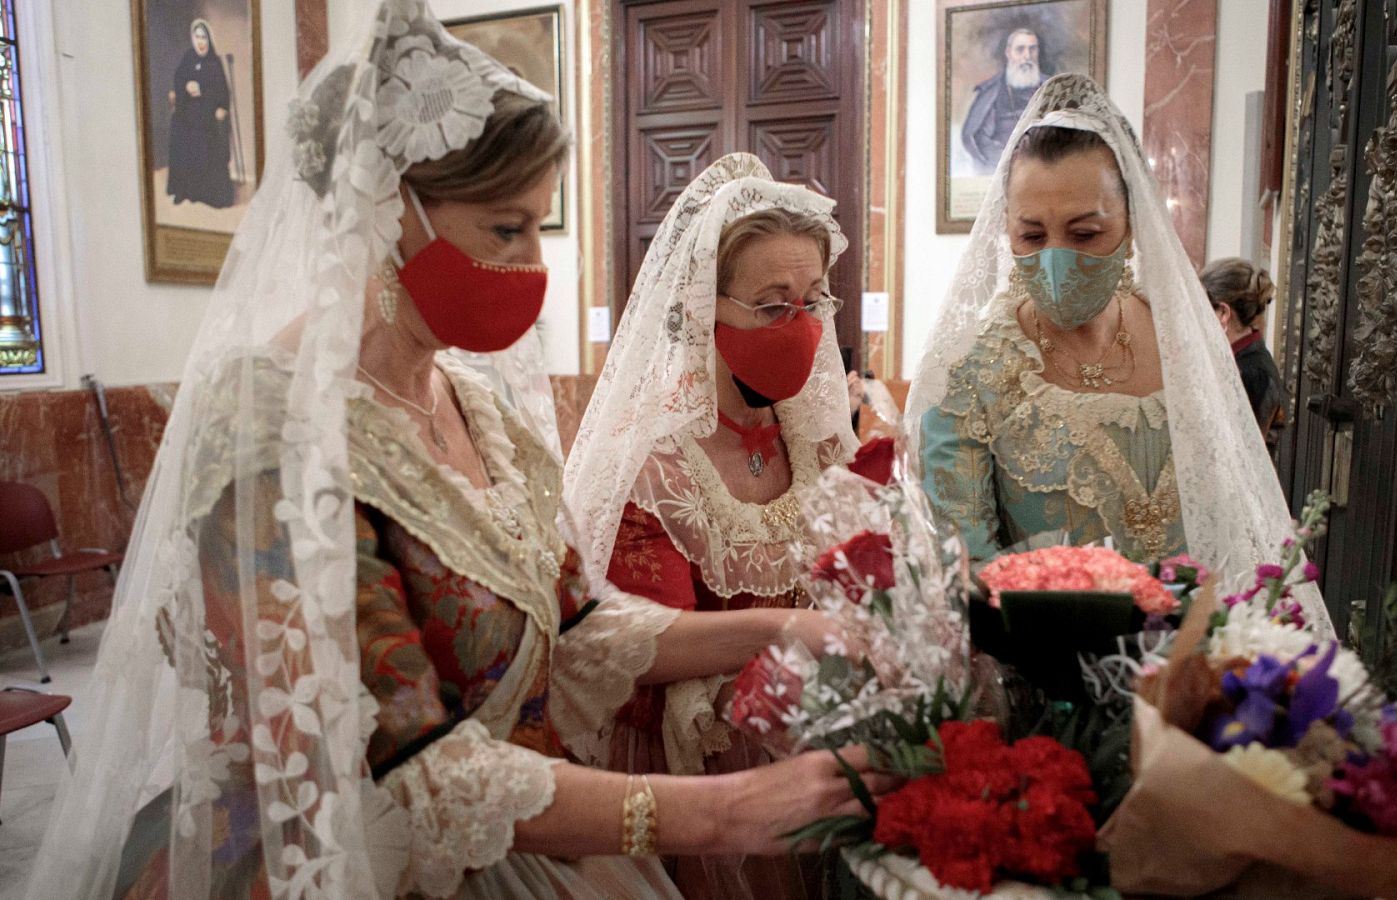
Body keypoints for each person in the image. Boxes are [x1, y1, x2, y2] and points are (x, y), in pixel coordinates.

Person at [25, 5, 891, 898]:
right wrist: (721, 810)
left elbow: (580, 627)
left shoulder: (476, 407)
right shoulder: (276, 432)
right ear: (383, 212)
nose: (532, 266)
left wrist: (781, 627)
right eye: (505, 229)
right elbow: (409, 764)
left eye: (538, 228)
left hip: (516, 829)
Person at [564, 154, 890, 898]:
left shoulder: (819, 443)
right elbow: (644, 651)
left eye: (813, 300)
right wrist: (791, 643)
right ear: (701, 310)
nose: (800, 326)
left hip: (822, 740)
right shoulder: (654, 467)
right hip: (701, 771)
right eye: (773, 307)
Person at [908, 74, 1330, 632]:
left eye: (1085, 234)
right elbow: (963, 577)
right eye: (1032, 236)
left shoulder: (1185, 339)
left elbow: (1233, 519)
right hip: (1048, 664)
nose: (1056, 260)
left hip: (1204, 660)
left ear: (1133, 224)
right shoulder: (967, 372)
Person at [1202, 257, 1286, 453]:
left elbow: (1238, 454)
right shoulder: (1244, 362)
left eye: (1200, 310)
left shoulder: (1253, 372)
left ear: (1223, 313)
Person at [166, 19, 235, 209]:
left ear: (208, 39)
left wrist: (202, 89)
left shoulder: (214, 62)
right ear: (192, 38)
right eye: (197, 37)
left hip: (207, 111)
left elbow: (222, 93)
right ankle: (183, 190)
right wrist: (185, 86)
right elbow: (178, 78)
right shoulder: (188, 57)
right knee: (178, 126)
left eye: (203, 37)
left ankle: (203, 193)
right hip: (188, 108)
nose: (200, 42)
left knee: (199, 133)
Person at [961, 28, 1047, 171]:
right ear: (1008, 53)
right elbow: (979, 138)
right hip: (1001, 167)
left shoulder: (1052, 87)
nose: (1027, 56)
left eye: (1032, 49)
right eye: (1020, 49)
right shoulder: (992, 91)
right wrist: (1010, 161)